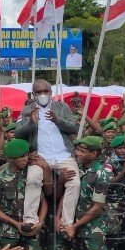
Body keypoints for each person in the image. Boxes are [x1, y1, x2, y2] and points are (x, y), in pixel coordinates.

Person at [15, 79, 80, 235]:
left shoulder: (62, 107)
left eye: (46, 91)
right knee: (32, 180)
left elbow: (73, 127)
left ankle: (66, 222)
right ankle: (30, 219)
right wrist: (31, 122)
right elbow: (17, 133)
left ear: (51, 92)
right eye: (39, 92)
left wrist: (58, 120)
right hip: (40, 156)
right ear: (34, 94)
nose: (43, 95)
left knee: (75, 182)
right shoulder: (26, 110)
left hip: (63, 155)